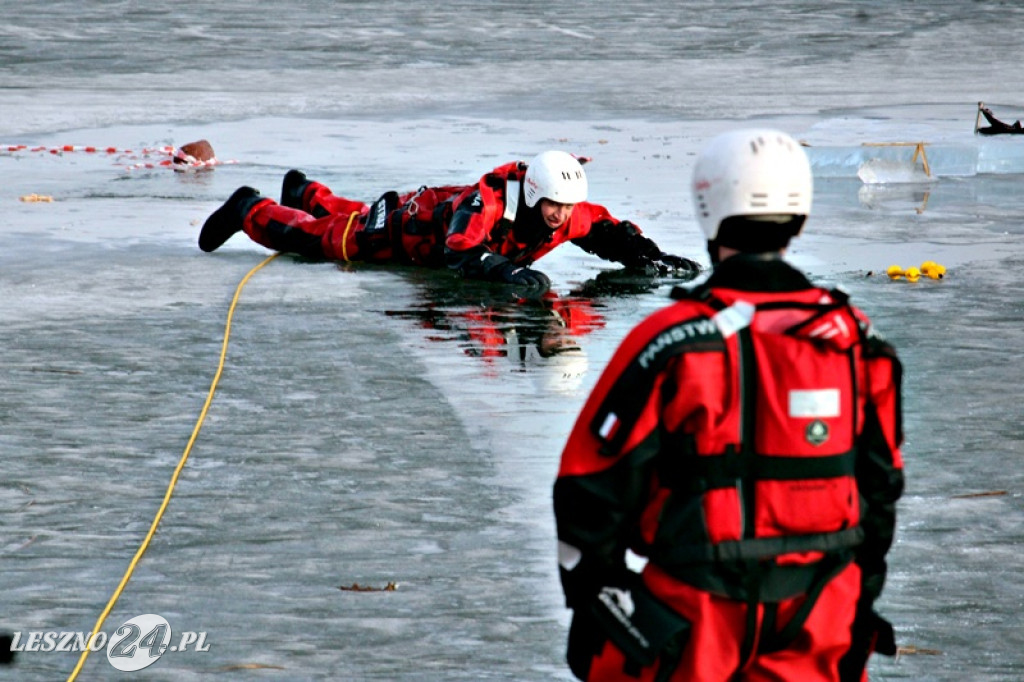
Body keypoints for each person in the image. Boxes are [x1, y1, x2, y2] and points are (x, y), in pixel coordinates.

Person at [553, 129, 905, 681]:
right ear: (801, 216)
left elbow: (587, 490)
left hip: (695, 624)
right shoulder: (858, 343)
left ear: (706, 209)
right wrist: (855, 597)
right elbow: (880, 495)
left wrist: (596, 609)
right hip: (820, 621)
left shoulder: (672, 341)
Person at [198, 151, 701, 289]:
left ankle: (304, 192)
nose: (561, 216)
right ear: (532, 193)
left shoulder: (562, 211)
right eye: (553, 205)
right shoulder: (490, 203)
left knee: (344, 215)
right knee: (325, 241)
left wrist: (651, 257)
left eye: (566, 208)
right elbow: (460, 251)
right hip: (407, 231)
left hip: (425, 212)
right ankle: (253, 208)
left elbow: (608, 232)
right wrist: (506, 271)